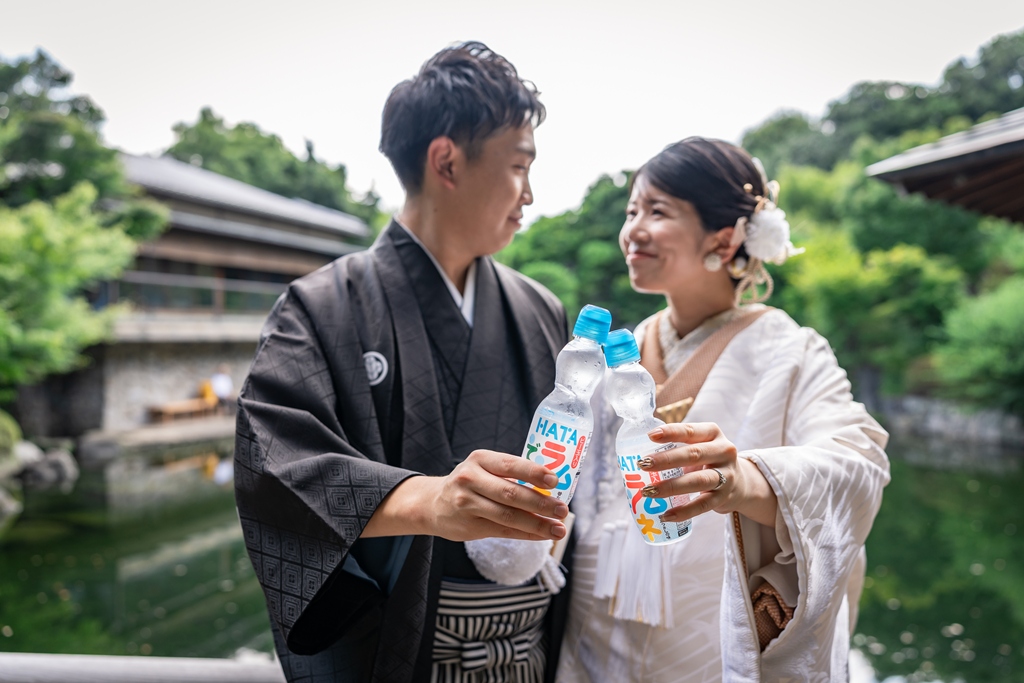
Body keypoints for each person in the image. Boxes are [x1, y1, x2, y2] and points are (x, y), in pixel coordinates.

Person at [235, 42, 573, 683]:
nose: (529, 193)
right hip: (399, 649)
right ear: (446, 161)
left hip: (528, 650)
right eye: (519, 167)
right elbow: (275, 465)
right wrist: (429, 500)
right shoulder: (320, 307)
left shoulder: (540, 309)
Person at [558, 138, 891, 682]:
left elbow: (858, 462)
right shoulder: (622, 351)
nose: (632, 229)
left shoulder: (791, 349)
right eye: (631, 210)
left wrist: (746, 481)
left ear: (724, 236)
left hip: (707, 639)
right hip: (598, 625)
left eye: (657, 211)